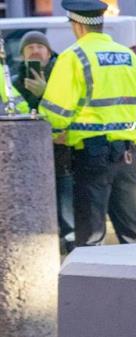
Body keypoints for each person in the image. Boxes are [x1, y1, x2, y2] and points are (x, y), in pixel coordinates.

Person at [39, 0, 136, 247]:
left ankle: (91, 285)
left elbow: (55, 114)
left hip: (91, 159)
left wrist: (56, 134)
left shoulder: (73, 57)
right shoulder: (128, 57)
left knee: (91, 236)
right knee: (134, 234)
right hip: (127, 156)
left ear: (77, 25)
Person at [12, 31, 75, 252]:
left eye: (40, 47)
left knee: (67, 209)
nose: (35, 51)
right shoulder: (15, 82)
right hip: (30, 157)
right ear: (22, 55)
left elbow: (70, 108)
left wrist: (45, 92)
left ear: (49, 52)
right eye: (30, 48)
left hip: (63, 153)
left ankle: (71, 248)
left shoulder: (62, 75)